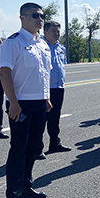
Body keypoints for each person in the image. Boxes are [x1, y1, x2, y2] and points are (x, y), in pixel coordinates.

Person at [0, 3, 53, 198]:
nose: (40, 19)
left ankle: (26, 186)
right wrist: (13, 102)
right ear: (22, 18)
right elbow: (4, 73)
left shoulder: (43, 44)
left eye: (42, 15)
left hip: (39, 102)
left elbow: (45, 73)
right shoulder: (13, 43)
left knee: (33, 147)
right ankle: (12, 195)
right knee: (18, 149)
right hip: (20, 104)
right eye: (35, 15)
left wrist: (46, 97)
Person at [42, 21, 71, 155]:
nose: (56, 33)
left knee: (55, 117)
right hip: (44, 88)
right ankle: (37, 148)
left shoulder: (61, 47)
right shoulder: (41, 46)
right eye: (53, 31)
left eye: (58, 31)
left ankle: (55, 143)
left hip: (58, 87)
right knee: (42, 119)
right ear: (45, 32)